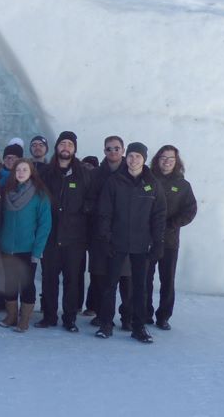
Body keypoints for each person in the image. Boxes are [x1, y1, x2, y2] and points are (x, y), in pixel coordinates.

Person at [95, 142, 166, 343]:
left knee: (140, 287)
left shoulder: (152, 183)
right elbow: (105, 212)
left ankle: (138, 326)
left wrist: (158, 241)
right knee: (110, 285)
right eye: (131, 156)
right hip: (116, 242)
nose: (134, 160)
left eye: (138, 157)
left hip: (141, 244)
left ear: (144, 160)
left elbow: (159, 215)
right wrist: (105, 238)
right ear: (126, 158)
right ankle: (106, 324)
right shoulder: (115, 181)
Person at [37, 131, 92, 332]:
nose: (66, 147)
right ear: (57, 147)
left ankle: (70, 318)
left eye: (70, 144)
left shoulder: (84, 174)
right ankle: (49, 316)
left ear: (75, 149)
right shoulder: (45, 173)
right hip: (50, 236)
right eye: (63, 144)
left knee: (72, 280)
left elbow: (92, 200)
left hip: (74, 237)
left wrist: (82, 212)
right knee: (49, 278)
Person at [0, 159, 52, 333]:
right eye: (18, 170)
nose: (20, 173)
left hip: (27, 248)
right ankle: (11, 316)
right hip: (7, 246)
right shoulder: (6, 191)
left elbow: (45, 225)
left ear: (31, 172)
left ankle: (25, 318)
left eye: (24, 170)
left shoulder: (40, 195)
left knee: (27, 284)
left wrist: (38, 250)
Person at [147, 144, 195, 331]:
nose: (166, 162)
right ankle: (145, 313)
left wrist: (172, 224)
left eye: (170, 159)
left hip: (170, 240)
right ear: (157, 160)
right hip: (147, 239)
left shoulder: (183, 186)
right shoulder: (148, 180)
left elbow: (190, 210)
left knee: (167, 280)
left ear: (176, 162)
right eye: (163, 158)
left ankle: (164, 316)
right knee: (145, 279)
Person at [84, 135, 130, 322]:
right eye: (109, 149)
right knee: (100, 276)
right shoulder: (96, 174)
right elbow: (88, 199)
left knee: (126, 278)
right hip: (99, 232)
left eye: (116, 148)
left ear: (123, 150)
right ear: (104, 151)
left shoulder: (131, 172)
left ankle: (127, 317)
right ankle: (103, 314)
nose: (113, 152)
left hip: (124, 232)